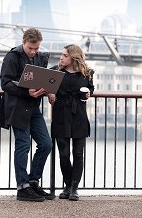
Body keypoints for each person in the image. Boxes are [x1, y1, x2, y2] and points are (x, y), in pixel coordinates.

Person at [0, 28, 54, 202]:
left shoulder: (41, 57)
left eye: (36, 48)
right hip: (18, 108)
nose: (33, 52)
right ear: (24, 42)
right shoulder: (12, 56)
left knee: (46, 144)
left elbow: (43, 79)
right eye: (30, 48)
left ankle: (33, 182)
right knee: (23, 145)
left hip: (34, 107)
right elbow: (5, 83)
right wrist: (28, 92)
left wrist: (48, 90)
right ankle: (23, 187)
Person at [48, 44, 94, 201]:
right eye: (61, 55)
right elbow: (47, 87)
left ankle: (74, 188)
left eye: (65, 55)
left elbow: (90, 89)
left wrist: (88, 94)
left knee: (78, 154)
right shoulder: (56, 71)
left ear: (74, 57)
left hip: (79, 116)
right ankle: (67, 185)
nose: (61, 58)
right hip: (60, 115)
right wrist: (50, 93)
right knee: (64, 154)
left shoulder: (87, 73)